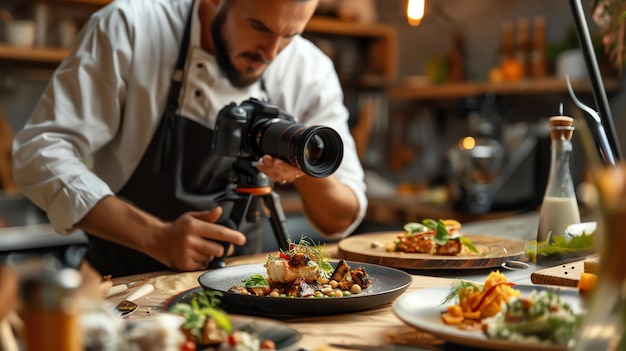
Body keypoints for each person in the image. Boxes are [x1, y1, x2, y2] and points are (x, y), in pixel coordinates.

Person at [12, 0, 367, 277]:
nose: (271, 53)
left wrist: (304, 168)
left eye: (290, 34)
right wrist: (155, 237)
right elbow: (39, 152)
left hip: (249, 290)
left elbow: (340, 216)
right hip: (127, 289)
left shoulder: (308, 69)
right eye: (258, 26)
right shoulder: (130, 27)